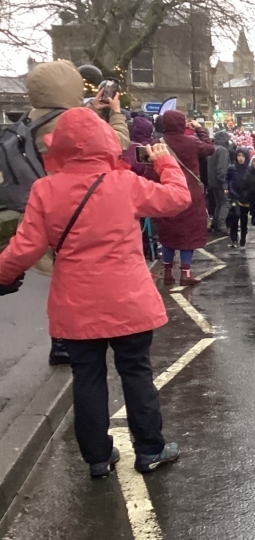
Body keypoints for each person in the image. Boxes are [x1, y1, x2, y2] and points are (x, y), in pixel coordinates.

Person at [0, 108, 187, 477]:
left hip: (76, 305)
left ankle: (98, 458)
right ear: (105, 143)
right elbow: (177, 198)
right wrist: (164, 160)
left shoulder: (45, 190)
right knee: (136, 373)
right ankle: (150, 450)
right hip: (128, 301)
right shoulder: (124, 184)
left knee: (87, 378)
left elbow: (24, 248)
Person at [14, 60, 131, 366]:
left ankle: (63, 341)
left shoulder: (31, 119)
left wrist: (89, 110)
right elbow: (114, 145)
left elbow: (69, 132)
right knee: (73, 276)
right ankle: (73, 340)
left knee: (61, 276)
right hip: (74, 203)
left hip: (42, 202)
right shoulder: (63, 120)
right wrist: (115, 115)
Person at [153, 110, 215, 286]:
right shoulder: (192, 142)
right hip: (190, 193)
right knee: (189, 234)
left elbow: (150, 169)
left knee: (167, 233)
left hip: (166, 191)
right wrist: (200, 129)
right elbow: (209, 148)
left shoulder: (157, 143)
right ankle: (186, 273)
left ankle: (167, 272)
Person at [225, 147, 250, 248]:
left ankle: (243, 237)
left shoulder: (249, 169)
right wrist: (226, 187)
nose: (240, 158)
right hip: (234, 195)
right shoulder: (231, 168)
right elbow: (226, 179)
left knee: (244, 218)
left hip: (245, 197)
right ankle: (234, 239)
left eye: (243, 156)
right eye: (239, 156)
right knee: (235, 215)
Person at [207, 131, 231, 234]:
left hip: (212, 181)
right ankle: (221, 225)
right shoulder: (222, 150)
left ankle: (216, 223)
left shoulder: (212, 148)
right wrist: (225, 183)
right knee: (225, 203)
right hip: (220, 182)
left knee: (218, 203)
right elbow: (222, 169)